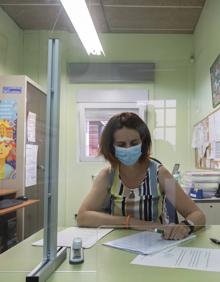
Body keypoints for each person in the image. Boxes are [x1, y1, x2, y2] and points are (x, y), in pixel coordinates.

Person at [77, 112, 205, 240]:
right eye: (121, 145)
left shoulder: (161, 174)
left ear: (142, 142)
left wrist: (186, 226)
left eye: (134, 143)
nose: (128, 148)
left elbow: (197, 214)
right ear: (111, 147)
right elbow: (82, 217)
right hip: (117, 243)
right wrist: (130, 222)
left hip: (156, 243)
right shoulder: (107, 176)